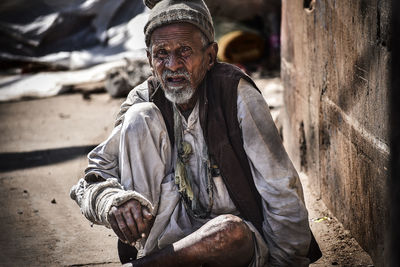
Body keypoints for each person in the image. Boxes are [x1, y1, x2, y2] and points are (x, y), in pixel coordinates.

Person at [70, 0, 321, 266]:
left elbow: (280, 186)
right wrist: (113, 203)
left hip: (231, 249)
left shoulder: (236, 93)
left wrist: (284, 262)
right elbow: (90, 182)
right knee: (139, 116)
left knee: (229, 233)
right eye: (161, 53)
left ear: (210, 56)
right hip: (159, 245)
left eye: (185, 51)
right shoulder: (144, 99)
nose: (173, 65)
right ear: (149, 59)